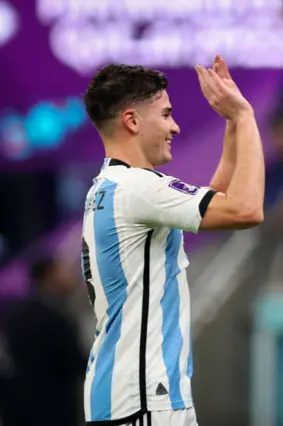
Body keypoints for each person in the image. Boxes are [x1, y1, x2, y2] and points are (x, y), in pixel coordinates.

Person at [80, 55, 264, 426]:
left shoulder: (112, 187)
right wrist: (246, 118)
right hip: (145, 397)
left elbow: (217, 197)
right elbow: (246, 210)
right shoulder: (137, 188)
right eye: (165, 114)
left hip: (128, 395)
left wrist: (231, 121)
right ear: (131, 120)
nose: (175, 127)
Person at [0, 257, 85, 426]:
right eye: (63, 270)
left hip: (20, 410)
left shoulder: (16, 316)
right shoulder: (55, 317)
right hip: (55, 410)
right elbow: (76, 363)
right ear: (48, 275)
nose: (70, 276)